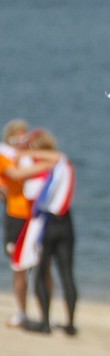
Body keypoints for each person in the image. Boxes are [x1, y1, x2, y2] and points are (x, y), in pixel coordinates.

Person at [0, 119, 61, 329]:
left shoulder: (32, 157)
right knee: (19, 267)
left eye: (23, 138)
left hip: (37, 217)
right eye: (15, 138)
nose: (19, 142)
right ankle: (22, 312)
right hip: (15, 218)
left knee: (44, 267)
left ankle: (47, 314)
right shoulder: (4, 157)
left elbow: (57, 160)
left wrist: (35, 158)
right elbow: (16, 175)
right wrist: (43, 165)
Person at [20, 128, 78, 336]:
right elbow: (60, 157)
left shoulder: (49, 167)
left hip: (46, 224)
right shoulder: (64, 167)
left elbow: (30, 193)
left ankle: (45, 322)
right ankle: (70, 324)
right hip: (65, 223)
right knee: (66, 273)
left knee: (41, 273)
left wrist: (25, 155)